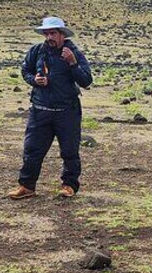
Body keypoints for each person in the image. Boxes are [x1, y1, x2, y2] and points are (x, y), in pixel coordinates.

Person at [8, 16, 93, 200]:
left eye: (53, 33)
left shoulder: (73, 53)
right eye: (46, 33)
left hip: (66, 112)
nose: (49, 37)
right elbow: (25, 71)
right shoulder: (37, 51)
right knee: (32, 149)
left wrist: (73, 63)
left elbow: (86, 80)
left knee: (69, 151)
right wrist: (34, 81)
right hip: (40, 110)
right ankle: (26, 186)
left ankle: (69, 186)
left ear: (62, 35)